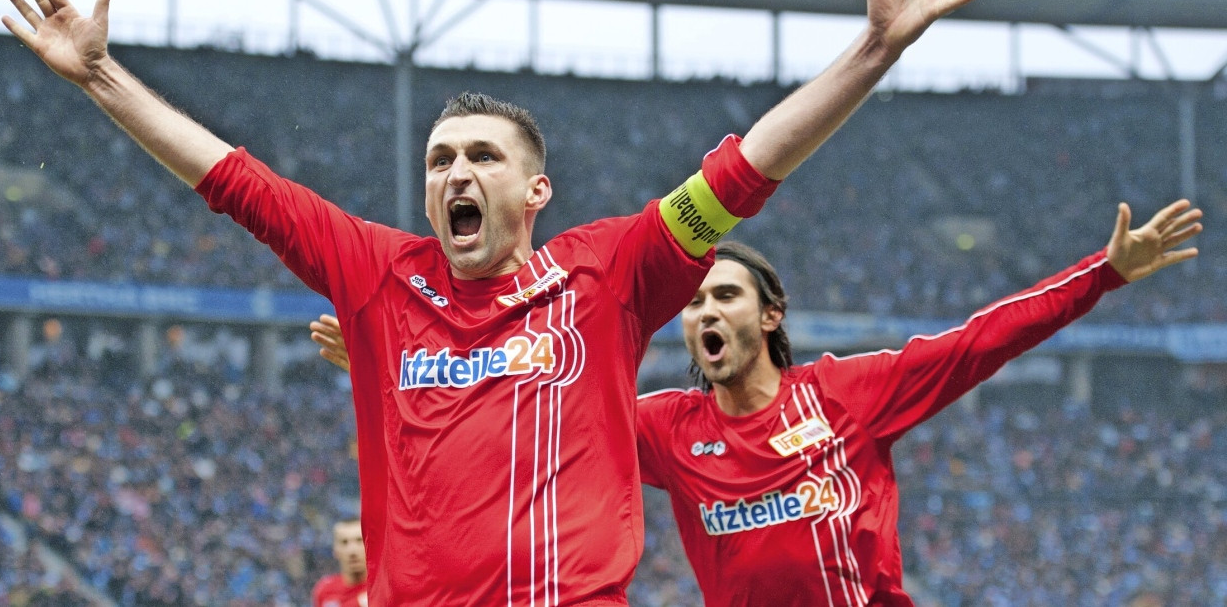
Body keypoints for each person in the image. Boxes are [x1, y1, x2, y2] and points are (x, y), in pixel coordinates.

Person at [3, 0, 986, 605]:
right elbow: (237, 181)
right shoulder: (381, 274)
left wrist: (871, 52)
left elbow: (744, 167)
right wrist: (99, 75)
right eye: (439, 161)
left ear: (534, 191)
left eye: (481, 156)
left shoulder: (610, 273)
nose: (456, 173)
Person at [314, 201, 1203, 605]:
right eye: (696, 300)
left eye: (725, 296)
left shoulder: (849, 395)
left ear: (769, 315)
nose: (704, 310)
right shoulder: (663, 427)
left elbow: (977, 342)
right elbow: (516, 421)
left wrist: (1106, 274)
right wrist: (380, 361)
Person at [311, 518, 368, 607]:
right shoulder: (324, 590)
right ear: (335, 550)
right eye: (344, 542)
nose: (352, 551)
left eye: (359, 540)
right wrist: (359, 603)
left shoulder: (382, 587)